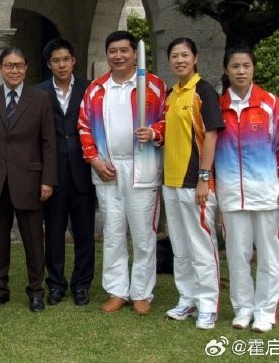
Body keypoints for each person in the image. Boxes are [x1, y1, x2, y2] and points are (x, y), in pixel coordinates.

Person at [78, 31, 167, 315]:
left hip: (142, 167)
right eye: (113, 51)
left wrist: (154, 132)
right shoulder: (96, 89)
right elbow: (84, 126)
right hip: (108, 168)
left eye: (124, 51)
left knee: (142, 232)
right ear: (107, 55)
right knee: (113, 231)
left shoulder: (152, 85)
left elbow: (168, 120)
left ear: (134, 53)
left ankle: (141, 292)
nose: (118, 56)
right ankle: (117, 290)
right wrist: (94, 159)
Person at [215, 46, 279, 333]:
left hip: (266, 194)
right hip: (230, 195)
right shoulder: (217, 107)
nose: (241, 71)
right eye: (235, 66)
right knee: (237, 254)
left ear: (253, 69)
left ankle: (264, 312)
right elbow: (208, 151)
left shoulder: (271, 104)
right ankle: (242, 309)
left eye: (246, 66)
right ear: (227, 70)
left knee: (269, 254)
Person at [147, 38, 224, 330]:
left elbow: (212, 135)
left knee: (202, 246)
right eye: (174, 56)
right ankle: (187, 299)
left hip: (196, 183)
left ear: (195, 58)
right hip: (171, 181)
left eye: (184, 55)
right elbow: (170, 133)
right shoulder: (172, 94)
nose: (179, 60)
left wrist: (204, 178)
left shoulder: (203, 91)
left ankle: (208, 305)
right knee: (180, 246)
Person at [0, 47, 57, 313]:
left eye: (19, 66)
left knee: (34, 242)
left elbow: (48, 142)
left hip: (30, 181)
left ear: (26, 68)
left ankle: (36, 292)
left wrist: (48, 180)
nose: (14, 70)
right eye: (9, 65)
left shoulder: (41, 98)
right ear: (0, 68)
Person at [35, 38, 96, 306]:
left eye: (66, 59)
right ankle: (56, 284)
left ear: (74, 61)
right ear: (49, 65)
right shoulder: (38, 93)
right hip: (54, 173)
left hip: (83, 170)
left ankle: (81, 285)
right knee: (55, 232)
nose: (62, 64)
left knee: (84, 233)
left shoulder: (90, 89)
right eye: (56, 60)